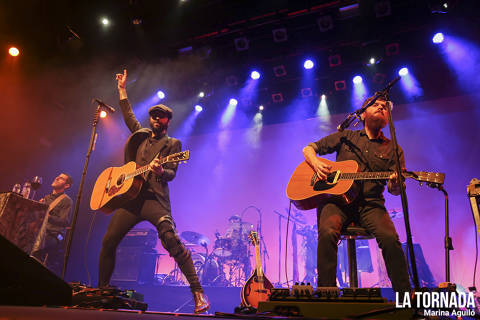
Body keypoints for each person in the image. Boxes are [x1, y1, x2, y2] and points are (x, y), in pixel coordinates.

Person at [98, 69, 209, 313]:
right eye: (154, 116)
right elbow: (128, 117)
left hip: (154, 200)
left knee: (170, 240)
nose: (156, 120)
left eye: (161, 117)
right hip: (131, 200)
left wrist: (160, 172)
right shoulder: (141, 136)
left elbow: (171, 173)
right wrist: (122, 90)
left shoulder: (172, 144)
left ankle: (198, 293)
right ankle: (101, 291)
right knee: (108, 241)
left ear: (168, 121)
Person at [302, 93, 411, 294]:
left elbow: (395, 190)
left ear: (388, 119)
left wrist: (396, 183)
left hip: (371, 204)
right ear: (362, 115)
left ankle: (405, 297)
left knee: (390, 239)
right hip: (336, 202)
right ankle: (327, 292)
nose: (381, 108)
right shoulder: (346, 137)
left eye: (385, 107)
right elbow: (309, 149)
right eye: (375, 105)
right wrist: (317, 163)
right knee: (327, 232)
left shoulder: (394, 149)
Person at [31, 173, 73, 275]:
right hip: (39, 231)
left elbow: (65, 222)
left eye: (61, 178)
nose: (57, 178)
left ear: (67, 185)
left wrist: (48, 217)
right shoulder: (46, 198)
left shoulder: (66, 201)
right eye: (57, 176)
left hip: (52, 234)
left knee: (33, 245)